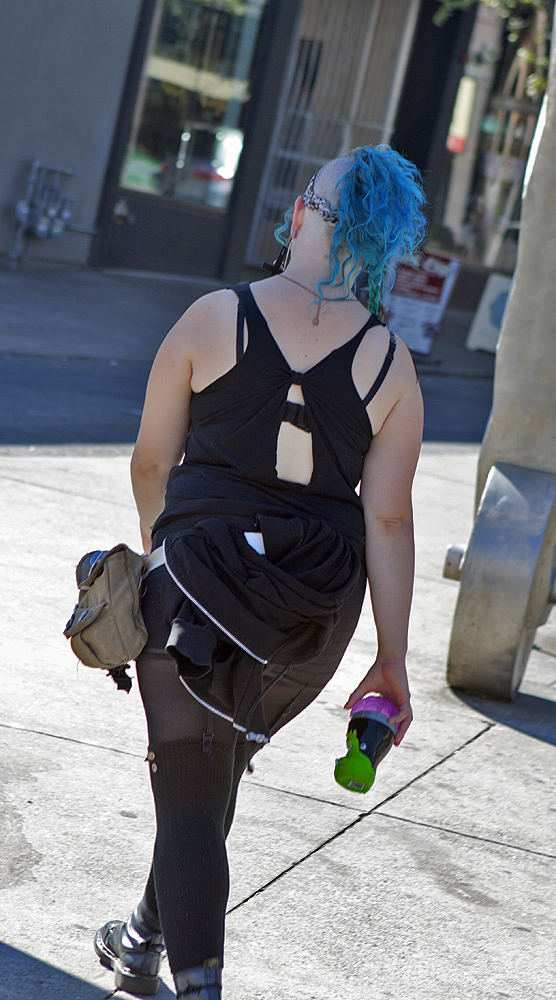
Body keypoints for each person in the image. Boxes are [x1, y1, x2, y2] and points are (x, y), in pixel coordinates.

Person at [94, 146, 425, 999]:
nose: (296, 207)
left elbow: (148, 464)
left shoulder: (214, 318)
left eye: (307, 195)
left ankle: (199, 984)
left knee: (193, 787)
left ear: (314, 217)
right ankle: (140, 939)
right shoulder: (390, 364)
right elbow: (386, 518)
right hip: (313, 606)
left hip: (202, 576)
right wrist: (389, 659)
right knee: (210, 769)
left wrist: (165, 565)